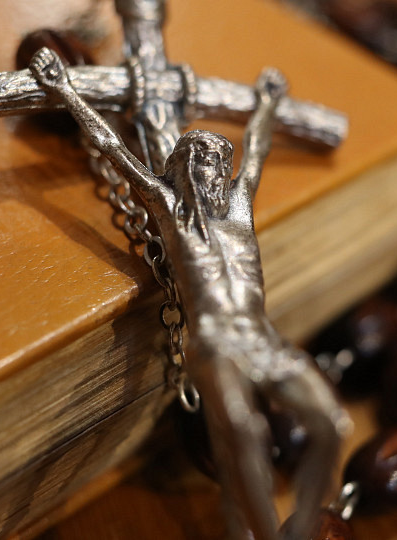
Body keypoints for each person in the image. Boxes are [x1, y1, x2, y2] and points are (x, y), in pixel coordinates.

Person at [29, 48, 350, 540]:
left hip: (262, 338)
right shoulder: (167, 206)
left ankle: (302, 525)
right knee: (242, 432)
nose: (209, 167)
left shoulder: (239, 205)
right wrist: (65, 90)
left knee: (331, 423)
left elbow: (258, 148)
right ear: (180, 168)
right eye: (198, 158)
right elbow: (111, 146)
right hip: (213, 344)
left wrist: (267, 103)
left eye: (217, 159)